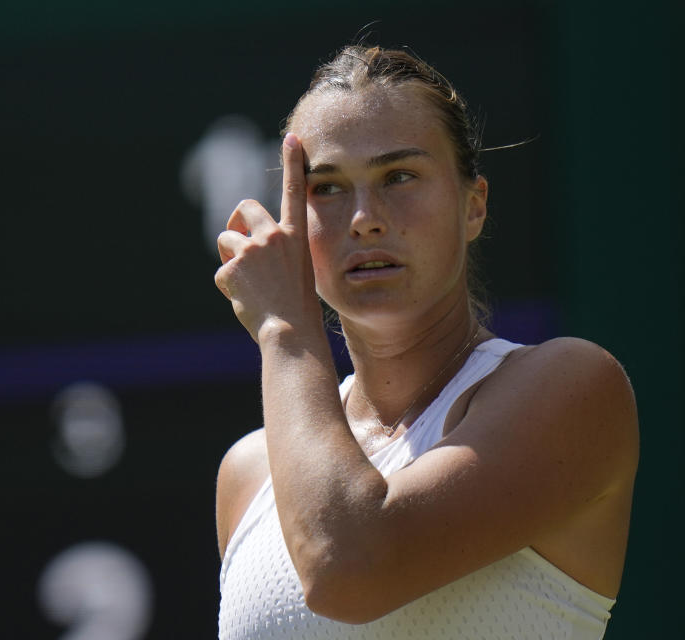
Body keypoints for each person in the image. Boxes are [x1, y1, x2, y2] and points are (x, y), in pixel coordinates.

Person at [213, 45, 639, 640]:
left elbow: (347, 569)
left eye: (400, 176)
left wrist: (285, 329)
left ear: (474, 205)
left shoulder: (574, 385)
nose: (365, 217)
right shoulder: (248, 472)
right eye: (328, 187)